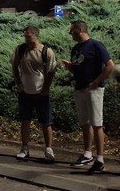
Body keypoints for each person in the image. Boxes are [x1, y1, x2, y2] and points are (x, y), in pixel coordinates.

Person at [61, 21, 114, 172]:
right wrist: (70, 67)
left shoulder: (96, 45)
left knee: (97, 123)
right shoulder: (76, 48)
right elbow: (78, 69)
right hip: (79, 88)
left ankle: (100, 158)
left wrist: (97, 81)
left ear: (79, 30)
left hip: (94, 89)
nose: (70, 34)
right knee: (85, 122)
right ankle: (87, 153)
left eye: (72, 31)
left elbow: (110, 65)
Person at [10, 26, 57, 162]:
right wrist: (18, 83)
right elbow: (14, 66)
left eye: (29, 36)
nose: (27, 39)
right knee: (25, 120)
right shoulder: (21, 49)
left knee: (46, 121)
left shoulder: (46, 52)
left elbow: (51, 71)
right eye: (25, 36)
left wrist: (46, 88)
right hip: (25, 91)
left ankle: (49, 149)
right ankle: (25, 148)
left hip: (41, 92)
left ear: (36, 35)